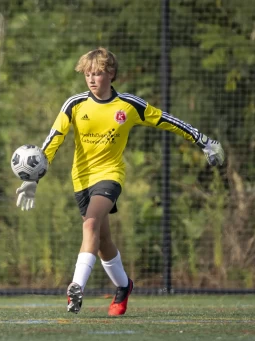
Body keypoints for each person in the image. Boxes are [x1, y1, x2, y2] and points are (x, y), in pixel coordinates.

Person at [15, 47, 225, 316]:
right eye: (87, 74)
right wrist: (33, 179)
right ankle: (124, 286)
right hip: (81, 179)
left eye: (98, 73)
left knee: (91, 223)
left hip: (110, 175)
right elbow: (53, 139)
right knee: (102, 241)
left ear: (111, 74)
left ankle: (75, 288)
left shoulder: (128, 105)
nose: (91, 79)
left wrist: (203, 141)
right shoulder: (74, 104)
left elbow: (166, 121)